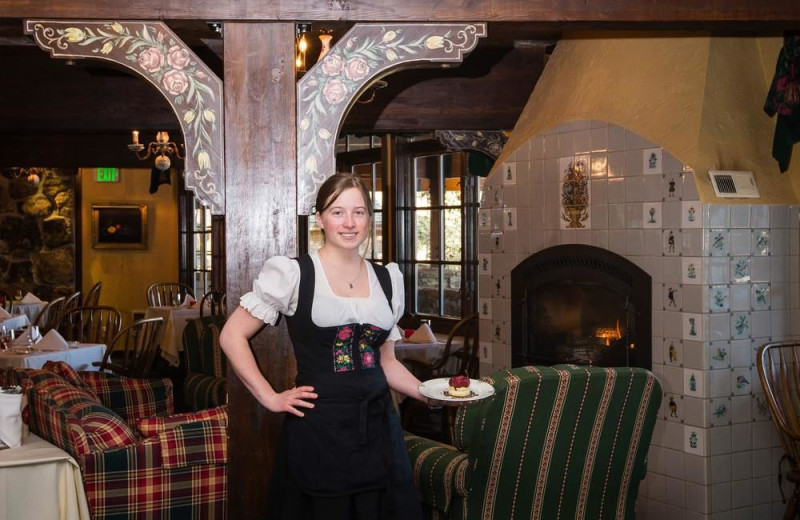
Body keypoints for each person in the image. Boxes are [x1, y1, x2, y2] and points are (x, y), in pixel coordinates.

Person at [219, 172, 426, 520]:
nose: (349, 223)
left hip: (378, 430)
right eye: (337, 212)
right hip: (319, 431)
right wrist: (270, 397)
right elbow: (231, 335)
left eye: (359, 212)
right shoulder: (295, 274)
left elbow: (385, 363)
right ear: (320, 218)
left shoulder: (388, 279)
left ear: (369, 219)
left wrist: (429, 393)